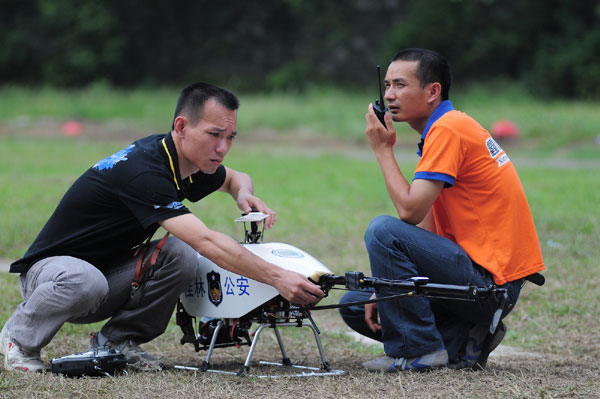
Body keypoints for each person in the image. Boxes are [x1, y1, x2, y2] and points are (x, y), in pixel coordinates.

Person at [1, 82, 324, 373]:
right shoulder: (144, 172)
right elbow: (207, 242)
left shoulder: (184, 160)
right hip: (55, 276)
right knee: (95, 277)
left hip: (106, 274)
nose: (223, 148)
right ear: (181, 126)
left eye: (230, 137)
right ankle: (19, 338)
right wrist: (277, 276)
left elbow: (236, 177)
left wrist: (244, 194)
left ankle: (117, 342)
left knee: (178, 253)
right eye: (214, 135)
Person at [338, 49, 545, 372]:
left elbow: (408, 212)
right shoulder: (443, 129)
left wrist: (382, 150)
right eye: (388, 85)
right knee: (357, 303)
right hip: (474, 283)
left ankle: (418, 351)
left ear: (433, 91)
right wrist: (387, 286)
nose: (390, 95)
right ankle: (466, 337)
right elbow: (428, 229)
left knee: (383, 229)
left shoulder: (448, 129)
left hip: (490, 285)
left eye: (400, 85)